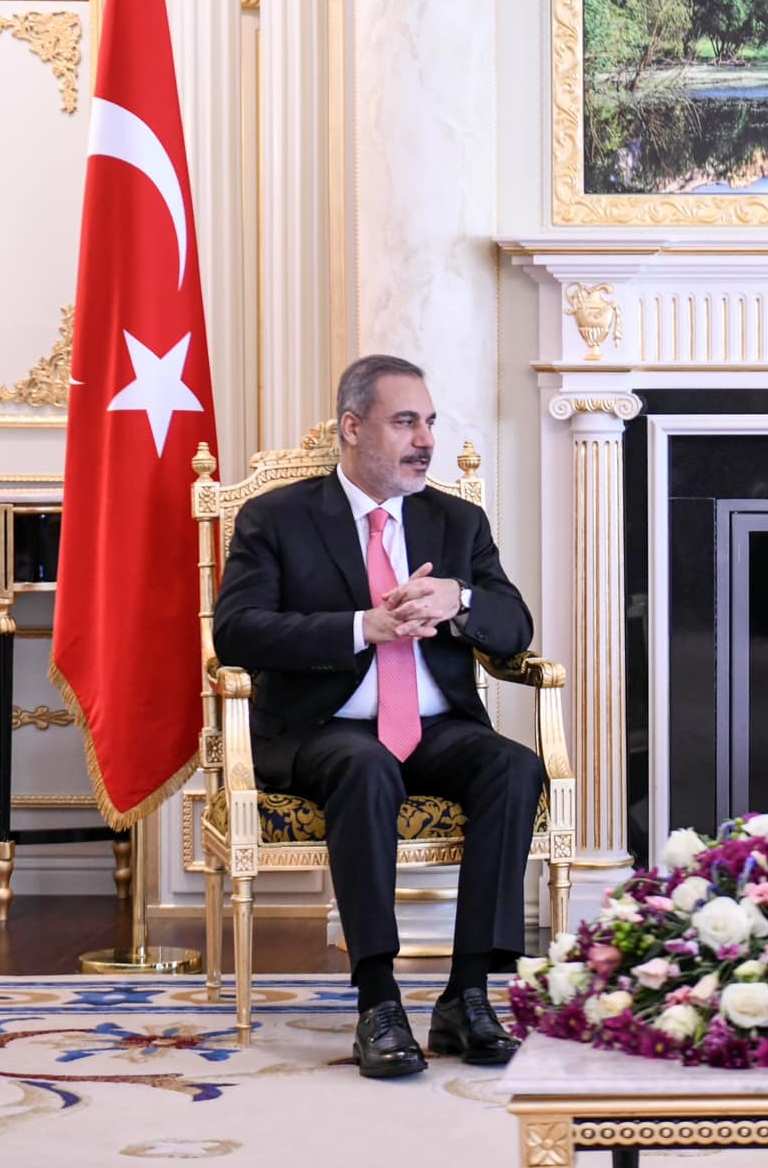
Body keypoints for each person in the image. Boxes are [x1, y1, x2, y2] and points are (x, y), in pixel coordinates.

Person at [214, 355, 545, 1079]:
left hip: (435, 726)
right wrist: (362, 627)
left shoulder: (456, 521)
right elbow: (236, 633)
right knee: (365, 766)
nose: (424, 440)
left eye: (429, 422)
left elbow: (515, 627)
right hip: (323, 727)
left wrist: (459, 600)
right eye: (405, 422)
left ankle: (467, 995)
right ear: (353, 427)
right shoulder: (279, 517)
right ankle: (379, 1001)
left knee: (515, 766)